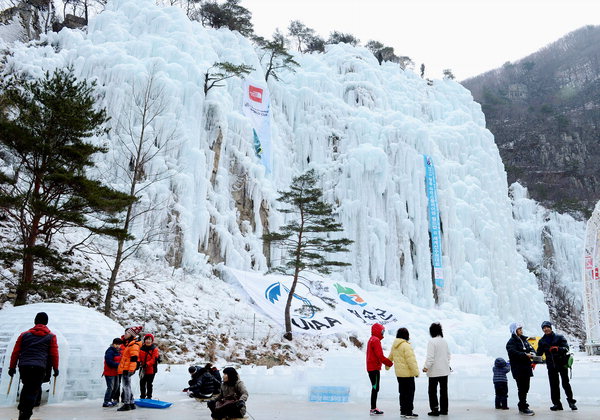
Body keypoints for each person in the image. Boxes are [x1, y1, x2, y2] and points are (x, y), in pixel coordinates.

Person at [8, 312, 59, 420]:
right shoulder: (51, 336)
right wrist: (55, 368)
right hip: (39, 367)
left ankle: (22, 409)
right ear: (46, 322)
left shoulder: (24, 335)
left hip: (25, 366)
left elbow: (16, 352)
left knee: (26, 386)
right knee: (33, 390)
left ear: (35, 321)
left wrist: (12, 367)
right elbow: (54, 354)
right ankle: (26, 414)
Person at [536, 321, 577, 411]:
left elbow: (566, 348)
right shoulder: (542, 341)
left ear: (550, 328)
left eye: (547, 327)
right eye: (544, 328)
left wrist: (558, 349)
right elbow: (539, 353)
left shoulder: (559, 337)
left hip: (562, 364)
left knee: (565, 383)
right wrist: (534, 362)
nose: (545, 329)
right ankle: (557, 404)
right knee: (554, 385)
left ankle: (571, 402)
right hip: (551, 366)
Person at [387, 327, 419, 419]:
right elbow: (411, 361)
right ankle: (409, 412)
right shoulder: (406, 346)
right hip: (408, 375)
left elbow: (390, 357)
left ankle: (403, 411)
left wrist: (387, 366)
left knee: (402, 392)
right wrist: (416, 372)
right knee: (410, 392)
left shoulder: (395, 345)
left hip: (399, 374)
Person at [506, 322, 535, 416]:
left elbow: (531, 349)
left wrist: (533, 354)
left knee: (526, 387)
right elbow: (512, 353)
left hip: (526, 368)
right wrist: (525, 354)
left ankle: (522, 404)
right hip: (518, 369)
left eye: (521, 329)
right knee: (522, 388)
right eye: (519, 329)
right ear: (514, 331)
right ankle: (523, 407)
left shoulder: (525, 340)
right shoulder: (511, 342)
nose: (521, 330)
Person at [422, 322, 451, 416]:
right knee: (443, 391)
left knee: (432, 391)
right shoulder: (444, 341)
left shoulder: (432, 342)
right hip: (444, 370)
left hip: (434, 371)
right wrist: (446, 364)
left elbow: (430, 357)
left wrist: (426, 367)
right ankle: (444, 409)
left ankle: (435, 409)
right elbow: (448, 356)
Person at [366, 323, 393, 416]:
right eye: (382, 331)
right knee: (375, 388)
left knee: (375, 387)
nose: (383, 333)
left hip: (371, 368)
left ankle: (373, 408)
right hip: (374, 368)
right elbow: (380, 356)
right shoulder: (376, 340)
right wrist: (389, 362)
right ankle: (373, 408)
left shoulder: (371, 339)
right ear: (378, 331)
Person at [116, 326, 142, 411]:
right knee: (128, 386)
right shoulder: (130, 344)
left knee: (126, 386)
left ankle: (127, 403)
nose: (125, 334)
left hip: (127, 368)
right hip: (126, 368)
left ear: (131, 334)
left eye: (127, 333)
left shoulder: (133, 345)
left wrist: (131, 369)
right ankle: (131, 402)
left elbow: (134, 358)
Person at [103, 338, 123, 407]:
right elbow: (109, 362)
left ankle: (110, 400)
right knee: (110, 387)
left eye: (119, 344)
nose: (118, 346)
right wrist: (118, 365)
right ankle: (106, 401)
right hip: (109, 372)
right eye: (116, 344)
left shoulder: (119, 351)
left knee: (116, 387)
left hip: (116, 372)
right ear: (113, 344)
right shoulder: (110, 351)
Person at [139, 333, 160, 400]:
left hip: (151, 369)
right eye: (147, 339)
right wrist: (138, 362)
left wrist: (147, 364)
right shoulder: (141, 348)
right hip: (143, 369)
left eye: (149, 339)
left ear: (152, 341)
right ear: (144, 340)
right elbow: (139, 357)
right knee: (142, 383)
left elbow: (154, 359)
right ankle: (142, 396)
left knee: (149, 383)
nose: (148, 341)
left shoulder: (154, 349)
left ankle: (149, 396)